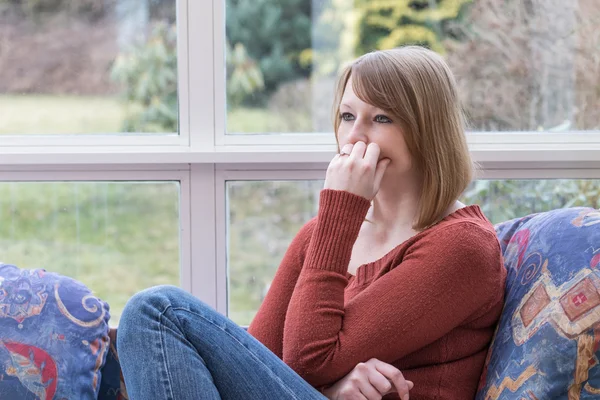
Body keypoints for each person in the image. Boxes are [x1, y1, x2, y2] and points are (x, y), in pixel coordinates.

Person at [117, 45, 507, 400]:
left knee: (158, 311)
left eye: (382, 118)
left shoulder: (463, 247)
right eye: (348, 116)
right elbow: (261, 363)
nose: (354, 136)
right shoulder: (320, 237)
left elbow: (308, 359)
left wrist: (341, 209)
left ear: (428, 130)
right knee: (150, 315)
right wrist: (334, 388)